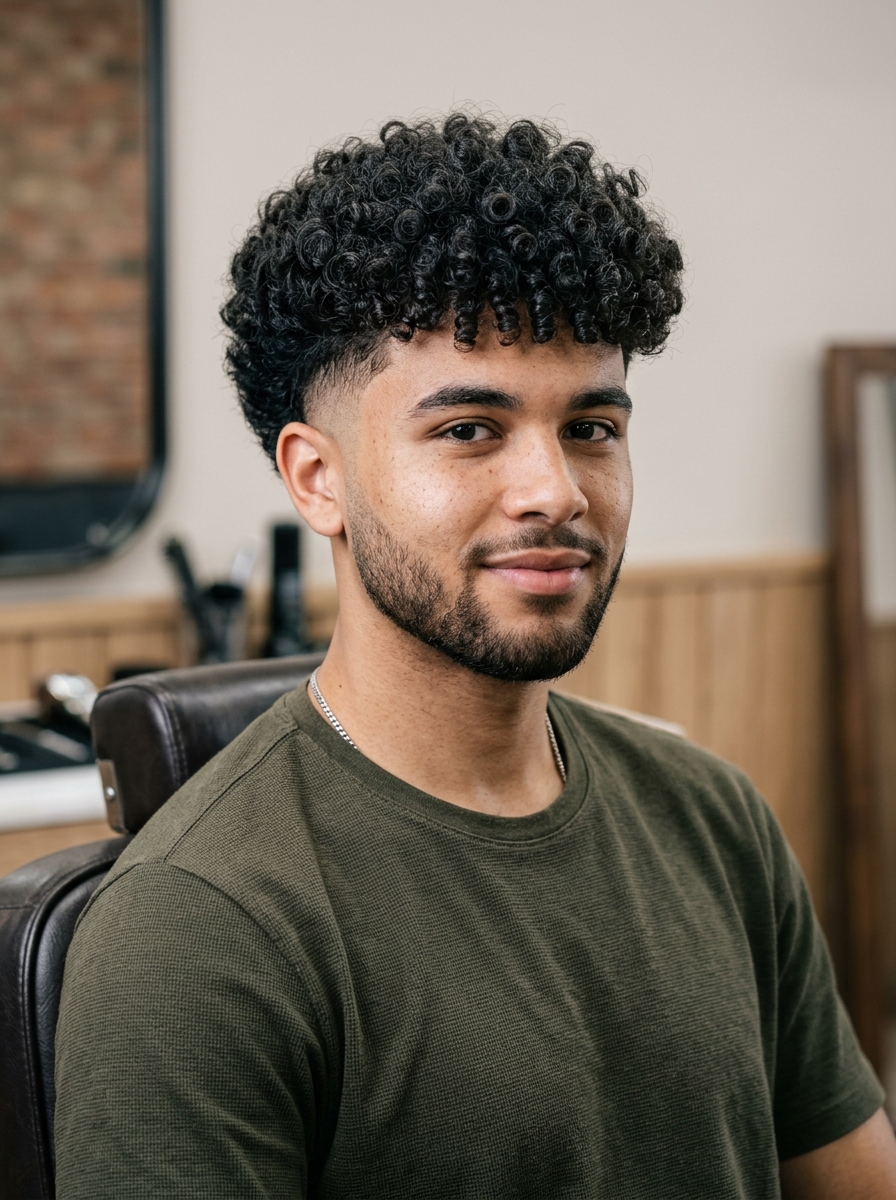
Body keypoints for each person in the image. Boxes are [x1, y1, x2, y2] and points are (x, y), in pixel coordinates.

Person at [54, 113, 896, 1199]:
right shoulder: (200, 927)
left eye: (591, 427)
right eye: (469, 431)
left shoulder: (713, 820)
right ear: (317, 479)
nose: (555, 491)